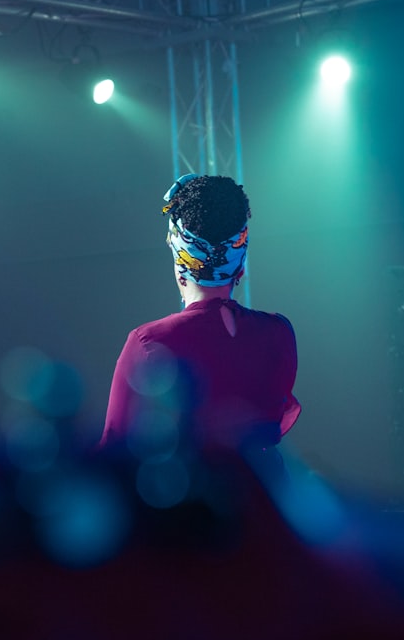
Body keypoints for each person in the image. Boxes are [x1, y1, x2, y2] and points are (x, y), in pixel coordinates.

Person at [100, 173, 301, 453]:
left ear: (179, 261)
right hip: (266, 495)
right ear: (240, 264)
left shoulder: (148, 342)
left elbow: (114, 448)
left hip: (190, 497)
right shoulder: (279, 333)